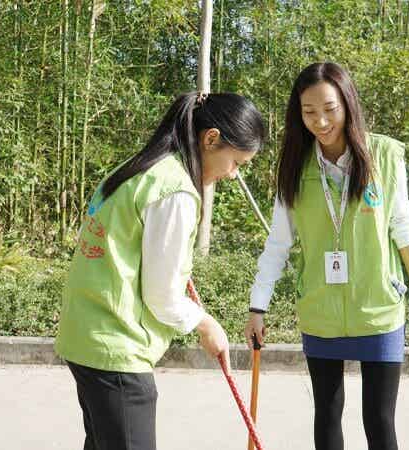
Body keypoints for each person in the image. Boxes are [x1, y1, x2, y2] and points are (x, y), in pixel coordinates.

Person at [56, 91, 265, 450]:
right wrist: (206, 324)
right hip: (117, 349)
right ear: (210, 139)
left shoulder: (138, 169)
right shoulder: (175, 191)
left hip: (85, 338)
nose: (233, 175)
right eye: (236, 162)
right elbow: (162, 297)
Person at [244, 62, 409, 450]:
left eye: (330, 109)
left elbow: (402, 225)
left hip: (378, 308)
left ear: (347, 103)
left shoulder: (384, 155)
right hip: (321, 311)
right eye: (309, 112)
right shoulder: (295, 168)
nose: (321, 121)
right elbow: (278, 243)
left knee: (379, 420)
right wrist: (257, 306)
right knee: (327, 413)